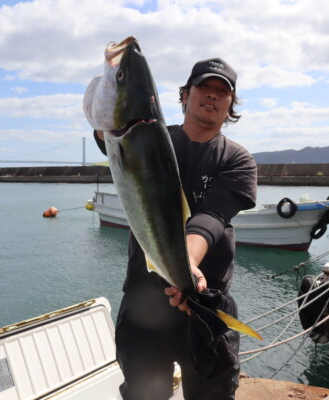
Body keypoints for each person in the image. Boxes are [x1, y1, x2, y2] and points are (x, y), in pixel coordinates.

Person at [94, 58, 257, 400]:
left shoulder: (238, 160)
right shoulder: (145, 141)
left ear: (231, 105)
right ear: (184, 95)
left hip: (205, 304)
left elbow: (211, 217)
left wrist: (187, 266)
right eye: (204, 88)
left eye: (222, 91)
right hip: (143, 304)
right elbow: (111, 135)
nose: (212, 96)